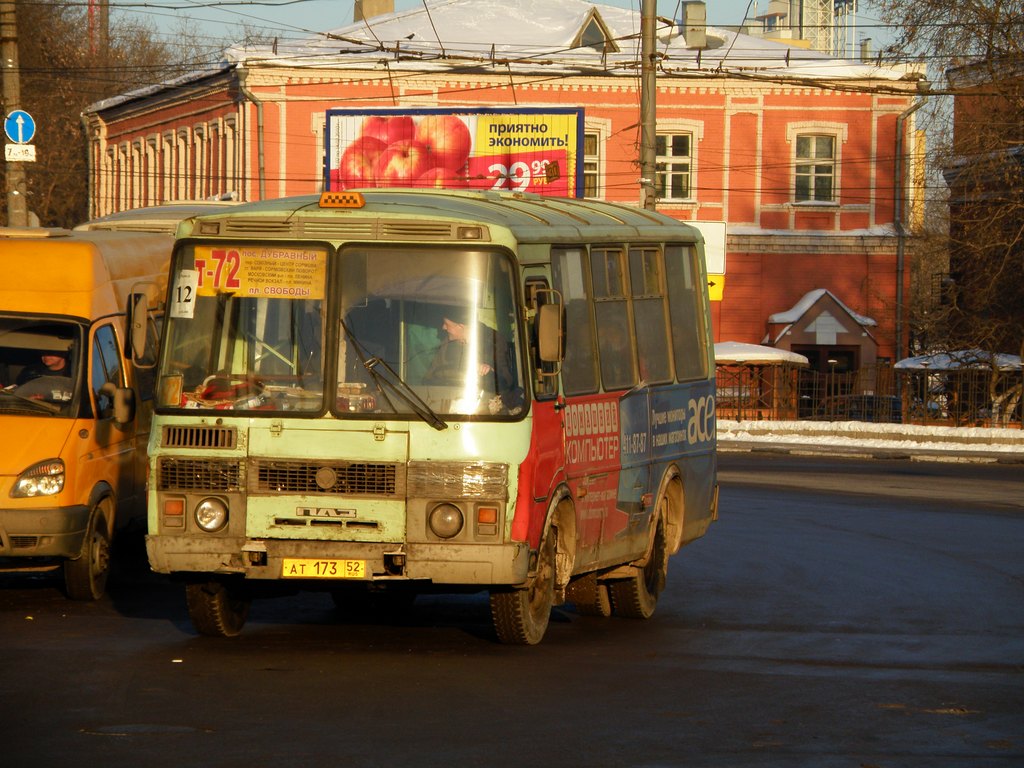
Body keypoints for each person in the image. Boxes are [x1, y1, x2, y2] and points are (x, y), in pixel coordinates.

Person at [424, 307, 522, 413]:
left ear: (461, 326)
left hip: (483, 409)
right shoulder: (447, 344)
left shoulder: (494, 341)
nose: (443, 327)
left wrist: (490, 371)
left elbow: (506, 382)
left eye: (447, 324)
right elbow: (430, 377)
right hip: (446, 405)